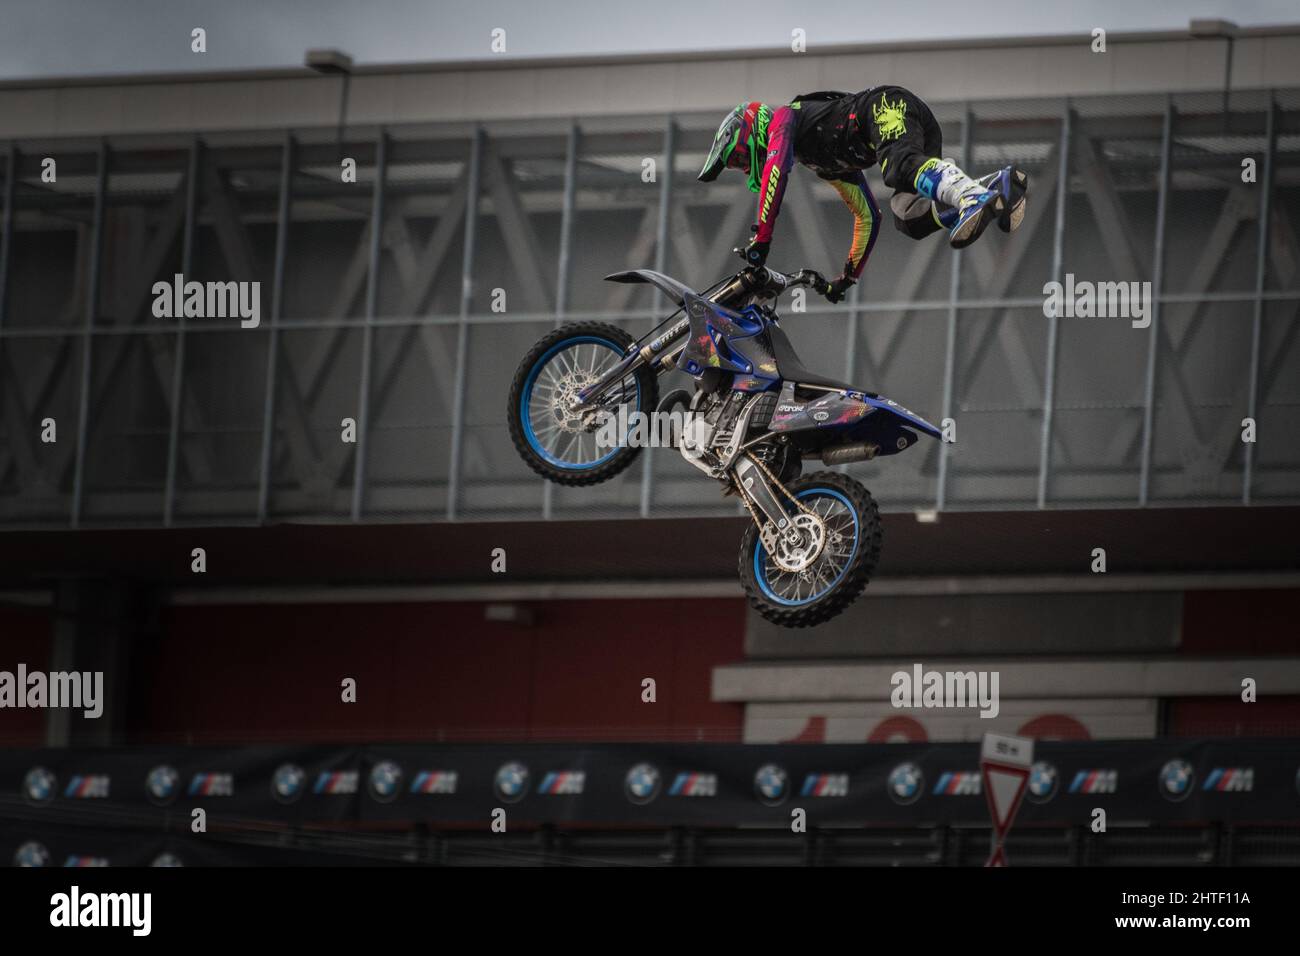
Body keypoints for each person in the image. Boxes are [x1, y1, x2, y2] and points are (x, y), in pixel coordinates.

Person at [697, 88, 1027, 303]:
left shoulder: (784, 118)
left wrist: (762, 237)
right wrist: (847, 277)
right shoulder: (823, 163)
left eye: (738, 159)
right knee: (907, 216)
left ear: (751, 130)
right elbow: (868, 215)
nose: (742, 169)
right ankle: (993, 186)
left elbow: (776, 169)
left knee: (900, 167)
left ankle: (971, 198)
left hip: (885, 106)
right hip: (899, 120)